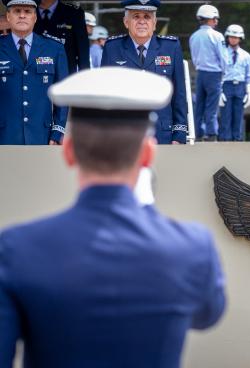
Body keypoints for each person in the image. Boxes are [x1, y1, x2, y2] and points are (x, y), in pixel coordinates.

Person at [0, 67, 226, 367]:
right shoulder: (192, 247)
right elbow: (207, 314)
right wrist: (148, 215)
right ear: (148, 154)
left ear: (68, 151)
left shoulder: (16, 248)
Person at [101, 0, 188, 145]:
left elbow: (179, 94)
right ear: (126, 22)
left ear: (155, 23)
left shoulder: (171, 47)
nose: (142, 21)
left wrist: (179, 134)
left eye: (147, 17)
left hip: (162, 135)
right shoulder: (112, 48)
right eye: (136, 16)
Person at [0, 0, 68, 145]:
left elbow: (62, 95)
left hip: (42, 136)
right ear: (8, 17)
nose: (22, 15)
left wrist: (57, 132)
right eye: (17, 11)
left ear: (35, 17)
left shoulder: (54, 48)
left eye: (28, 11)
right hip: (4, 136)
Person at [25, 0, 89, 74]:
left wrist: (84, 80)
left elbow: (82, 52)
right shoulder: (26, 14)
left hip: (64, 79)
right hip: (35, 79)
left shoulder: (73, 13)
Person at [189, 4, 229, 142]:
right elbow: (223, 57)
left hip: (200, 73)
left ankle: (198, 133)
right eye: (215, 18)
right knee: (212, 105)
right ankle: (211, 133)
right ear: (210, 19)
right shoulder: (217, 36)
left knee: (199, 104)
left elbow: (194, 57)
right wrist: (225, 72)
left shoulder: (193, 36)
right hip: (214, 74)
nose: (217, 21)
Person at [219, 24, 250, 141]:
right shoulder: (222, 53)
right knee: (225, 116)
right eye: (231, 36)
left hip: (240, 86)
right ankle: (225, 140)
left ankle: (237, 140)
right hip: (226, 85)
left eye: (236, 37)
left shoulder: (246, 55)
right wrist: (219, 90)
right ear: (227, 37)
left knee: (238, 116)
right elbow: (218, 72)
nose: (233, 39)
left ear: (240, 38)